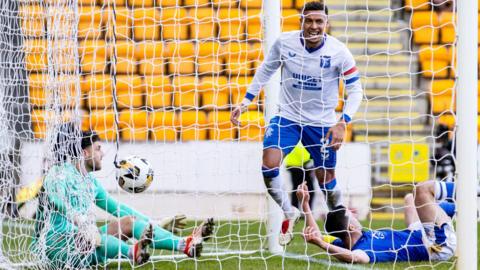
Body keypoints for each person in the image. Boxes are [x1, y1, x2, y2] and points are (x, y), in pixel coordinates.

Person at [230, 1, 363, 245]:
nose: (314, 26)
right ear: (301, 21)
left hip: (322, 123)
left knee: (326, 179)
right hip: (288, 117)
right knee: (269, 165)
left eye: (319, 21)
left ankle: (338, 214)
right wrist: (246, 101)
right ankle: (289, 211)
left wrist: (342, 121)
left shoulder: (339, 52)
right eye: (309, 21)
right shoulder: (284, 43)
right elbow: (265, 71)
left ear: (326, 24)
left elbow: (356, 90)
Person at [32, 124, 214, 268]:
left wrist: (154, 224)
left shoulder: (91, 183)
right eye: (98, 149)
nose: (102, 154)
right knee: (90, 234)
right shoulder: (58, 173)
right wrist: (80, 222)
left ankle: (185, 245)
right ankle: (131, 252)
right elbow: (58, 200)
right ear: (84, 153)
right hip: (55, 247)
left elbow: (118, 209)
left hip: (85, 244)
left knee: (128, 221)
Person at [297, 180, 457, 263]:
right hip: (435, 245)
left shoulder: (342, 242)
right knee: (422, 190)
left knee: (410, 198)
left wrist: (305, 205)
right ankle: (470, 190)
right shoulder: (362, 250)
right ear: (352, 226)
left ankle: (459, 209)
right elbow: (355, 258)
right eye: (351, 214)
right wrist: (321, 244)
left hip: (416, 232)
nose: (354, 214)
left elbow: (315, 234)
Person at [284, 143, 316, 210]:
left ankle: (296, 211)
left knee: (298, 189)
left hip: (297, 165)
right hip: (300, 165)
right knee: (307, 189)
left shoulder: (294, 136)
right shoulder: (302, 136)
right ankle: (304, 211)